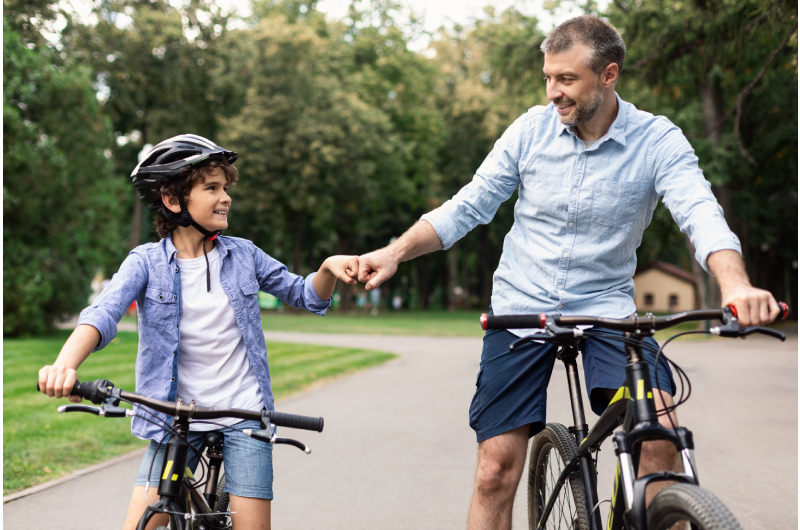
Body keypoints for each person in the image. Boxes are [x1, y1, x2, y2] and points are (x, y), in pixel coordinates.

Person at [356, 16, 780, 530]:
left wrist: (735, 283)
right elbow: (467, 206)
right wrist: (396, 252)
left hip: (607, 311)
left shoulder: (656, 140)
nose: (553, 92)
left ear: (608, 75)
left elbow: (700, 213)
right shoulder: (530, 131)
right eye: (547, 79)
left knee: (660, 442)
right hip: (521, 309)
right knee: (495, 471)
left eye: (566, 79)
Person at [38, 134, 359, 530]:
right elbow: (103, 313)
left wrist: (327, 269)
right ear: (174, 201)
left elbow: (305, 295)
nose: (225, 197)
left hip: (243, 414)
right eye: (212, 188)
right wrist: (64, 364)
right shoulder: (146, 262)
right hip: (177, 420)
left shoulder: (244, 255)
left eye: (225, 187)